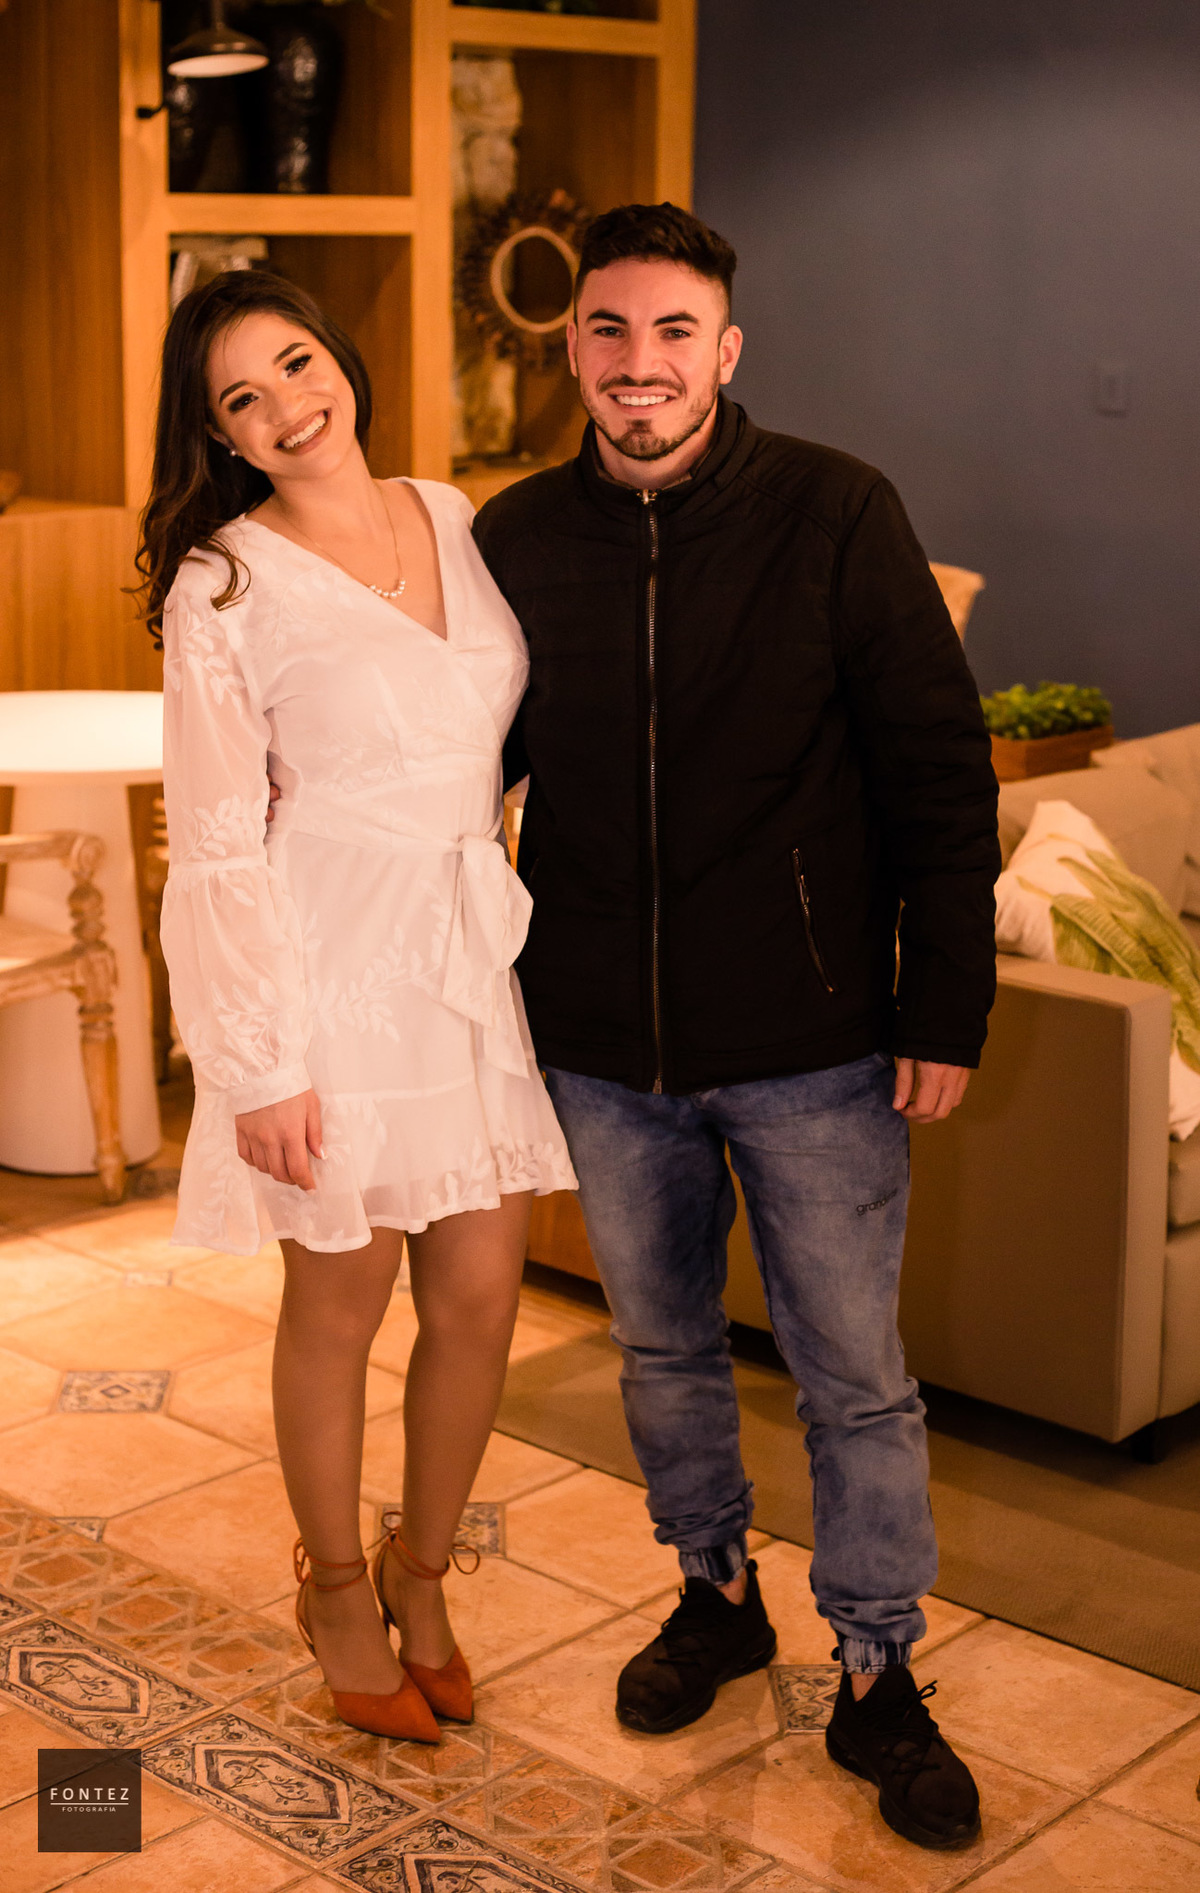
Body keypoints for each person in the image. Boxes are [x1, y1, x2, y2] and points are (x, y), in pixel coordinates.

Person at [470, 203, 1001, 1853]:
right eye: (610, 330)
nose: (641, 363)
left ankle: (877, 1665)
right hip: (600, 1043)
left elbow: (939, 771)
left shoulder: (838, 510)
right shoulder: (512, 538)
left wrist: (945, 1000)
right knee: (661, 1351)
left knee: (856, 1379)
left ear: (727, 349)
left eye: (674, 331)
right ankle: (715, 1591)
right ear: (573, 349)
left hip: (816, 1040)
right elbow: (453, 772)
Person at [138, 269, 576, 1747]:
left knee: (481, 1293)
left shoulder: (449, 512)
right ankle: (334, 1589)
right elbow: (215, 841)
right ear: (219, 437)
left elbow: (487, 733)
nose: (286, 407)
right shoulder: (222, 586)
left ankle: (420, 1571)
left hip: (461, 958)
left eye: (296, 363)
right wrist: (257, 1064)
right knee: (339, 1302)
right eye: (241, 398)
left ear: (341, 358)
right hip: (326, 965)